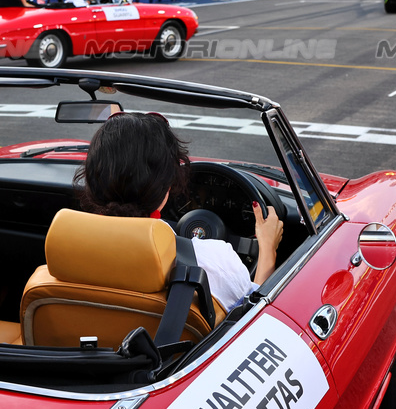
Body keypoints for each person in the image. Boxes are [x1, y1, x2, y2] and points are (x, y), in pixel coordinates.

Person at [75, 112, 283, 311]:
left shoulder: (69, 250)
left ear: (91, 181)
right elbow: (252, 317)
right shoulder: (214, 260)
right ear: (166, 187)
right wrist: (267, 249)